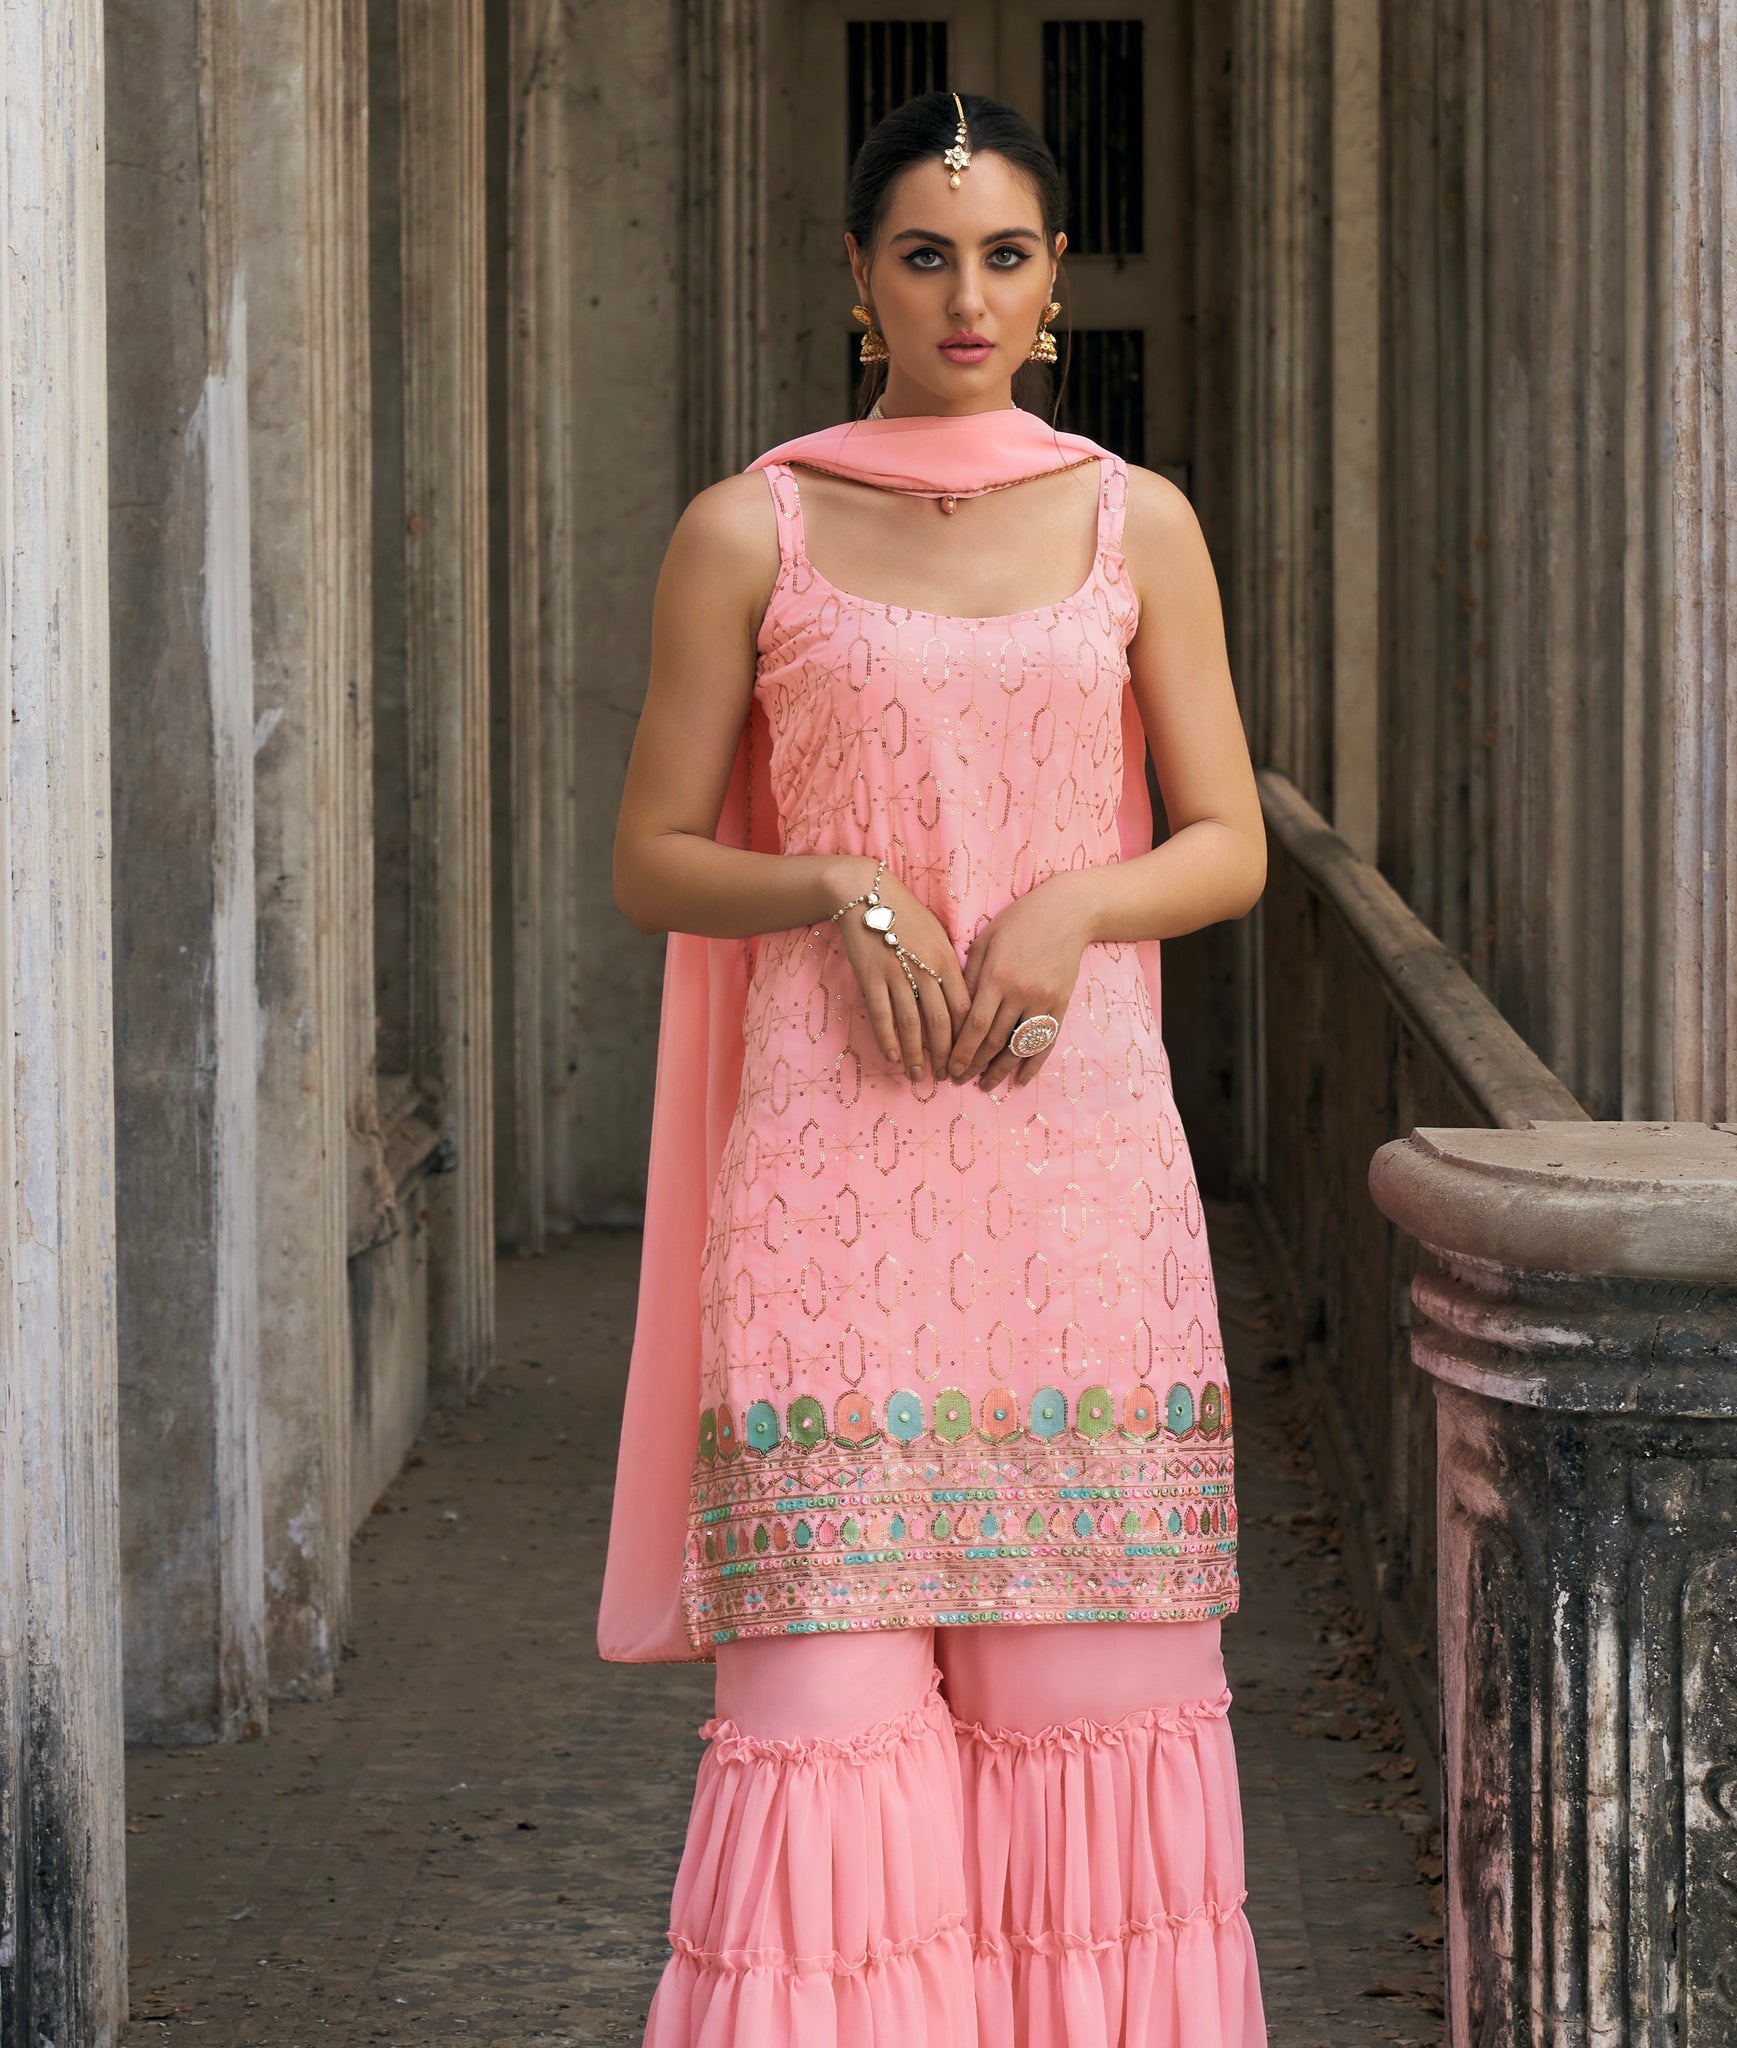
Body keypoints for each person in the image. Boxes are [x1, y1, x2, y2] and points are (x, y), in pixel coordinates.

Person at [601, 87, 1268, 2048]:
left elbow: (1225, 836)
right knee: (820, 1738)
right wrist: (831, 879)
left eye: (1002, 255)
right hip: (827, 1206)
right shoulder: (756, 524)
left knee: (1097, 1733)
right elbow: (651, 854)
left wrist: (1072, 906)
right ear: (857, 278)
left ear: (1053, 279)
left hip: (1079, 1193)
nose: (963, 294)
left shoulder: (1138, 521)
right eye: (922, 253)